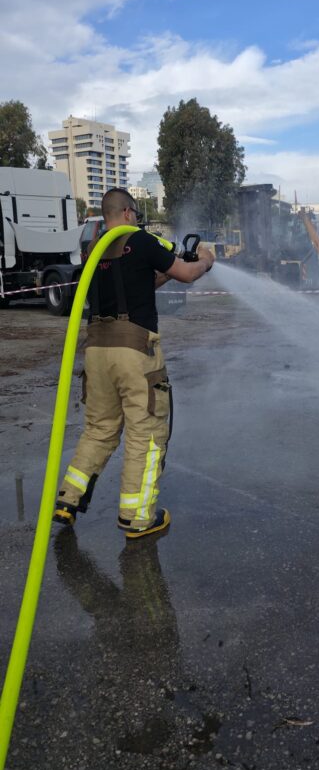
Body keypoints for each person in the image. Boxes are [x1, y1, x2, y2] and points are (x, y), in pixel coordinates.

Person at [53, 187, 214, 538]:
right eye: (136, 214)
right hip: (134, 352)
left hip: (96, 351)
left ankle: (68, 498)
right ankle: (137, 517)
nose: (137, 220)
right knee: (146, 432)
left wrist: (167, 272)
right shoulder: (139, 240)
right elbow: (189, 274)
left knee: (100, 428)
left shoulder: (94, 250)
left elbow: (140, 282)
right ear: (127, 213)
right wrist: (204, 260)